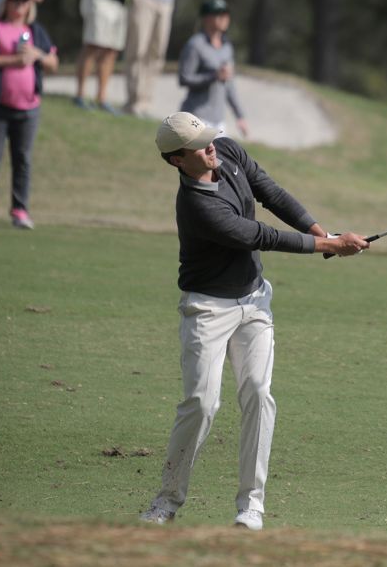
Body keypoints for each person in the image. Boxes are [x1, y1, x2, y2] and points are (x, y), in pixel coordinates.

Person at [140, 112, 369, 530]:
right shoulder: (196, 205)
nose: (210, 146)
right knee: (202, 403)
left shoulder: (225, 151)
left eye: (209, 138)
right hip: (208, 309)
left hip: (254, 302)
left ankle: (252, 505)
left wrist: (325, 235)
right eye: (199, 145)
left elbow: (271, 193)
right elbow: (258, 235)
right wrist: (328, 243)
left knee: (259, 393)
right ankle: (167, 500)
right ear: (177, 160)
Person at [0, 0, 58, 230]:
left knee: (23, 159)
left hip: (28, 107)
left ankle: (20, 210)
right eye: (15, 0)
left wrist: (37, 55)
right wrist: (16, 60)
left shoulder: (35, 31)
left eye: (24, 0)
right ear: (5, 3)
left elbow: (53, 62)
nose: (20, 5)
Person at [178, 0, 248, 137]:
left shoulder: (227, 47)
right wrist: (213, 76)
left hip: (218, 120)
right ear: (206, 18)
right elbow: (184, 78)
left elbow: (229, 85)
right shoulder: (195, 45)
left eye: (226, 14)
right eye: (219, 14)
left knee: (222, 159)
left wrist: (240, 116)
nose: (224, 18)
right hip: (197, 117)